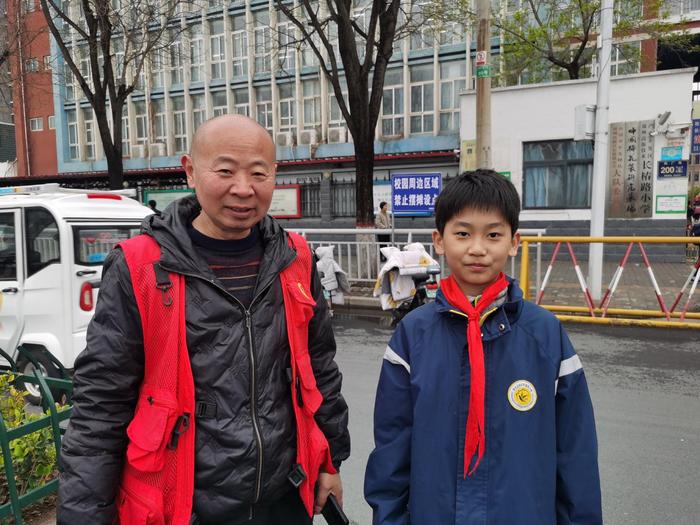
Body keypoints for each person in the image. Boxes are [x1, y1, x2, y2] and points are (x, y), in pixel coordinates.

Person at [58, 115, 350, 525]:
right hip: (181, 506)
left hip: (284, 499)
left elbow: (319, 370)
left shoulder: (295, 259)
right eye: (226, 170)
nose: (243, 189)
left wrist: (330, 462)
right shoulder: (141, 267)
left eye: (258, 173)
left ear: (274, 176)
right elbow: (101, 405)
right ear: (191, 171)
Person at [364, 170, 601, 524]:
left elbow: (575, 453)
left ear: (514, 241)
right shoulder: (413, 336)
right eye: (462, 233)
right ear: (439, 240)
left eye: (493, 234)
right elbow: (392, 449)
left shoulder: (545, 336)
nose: (477, 248)